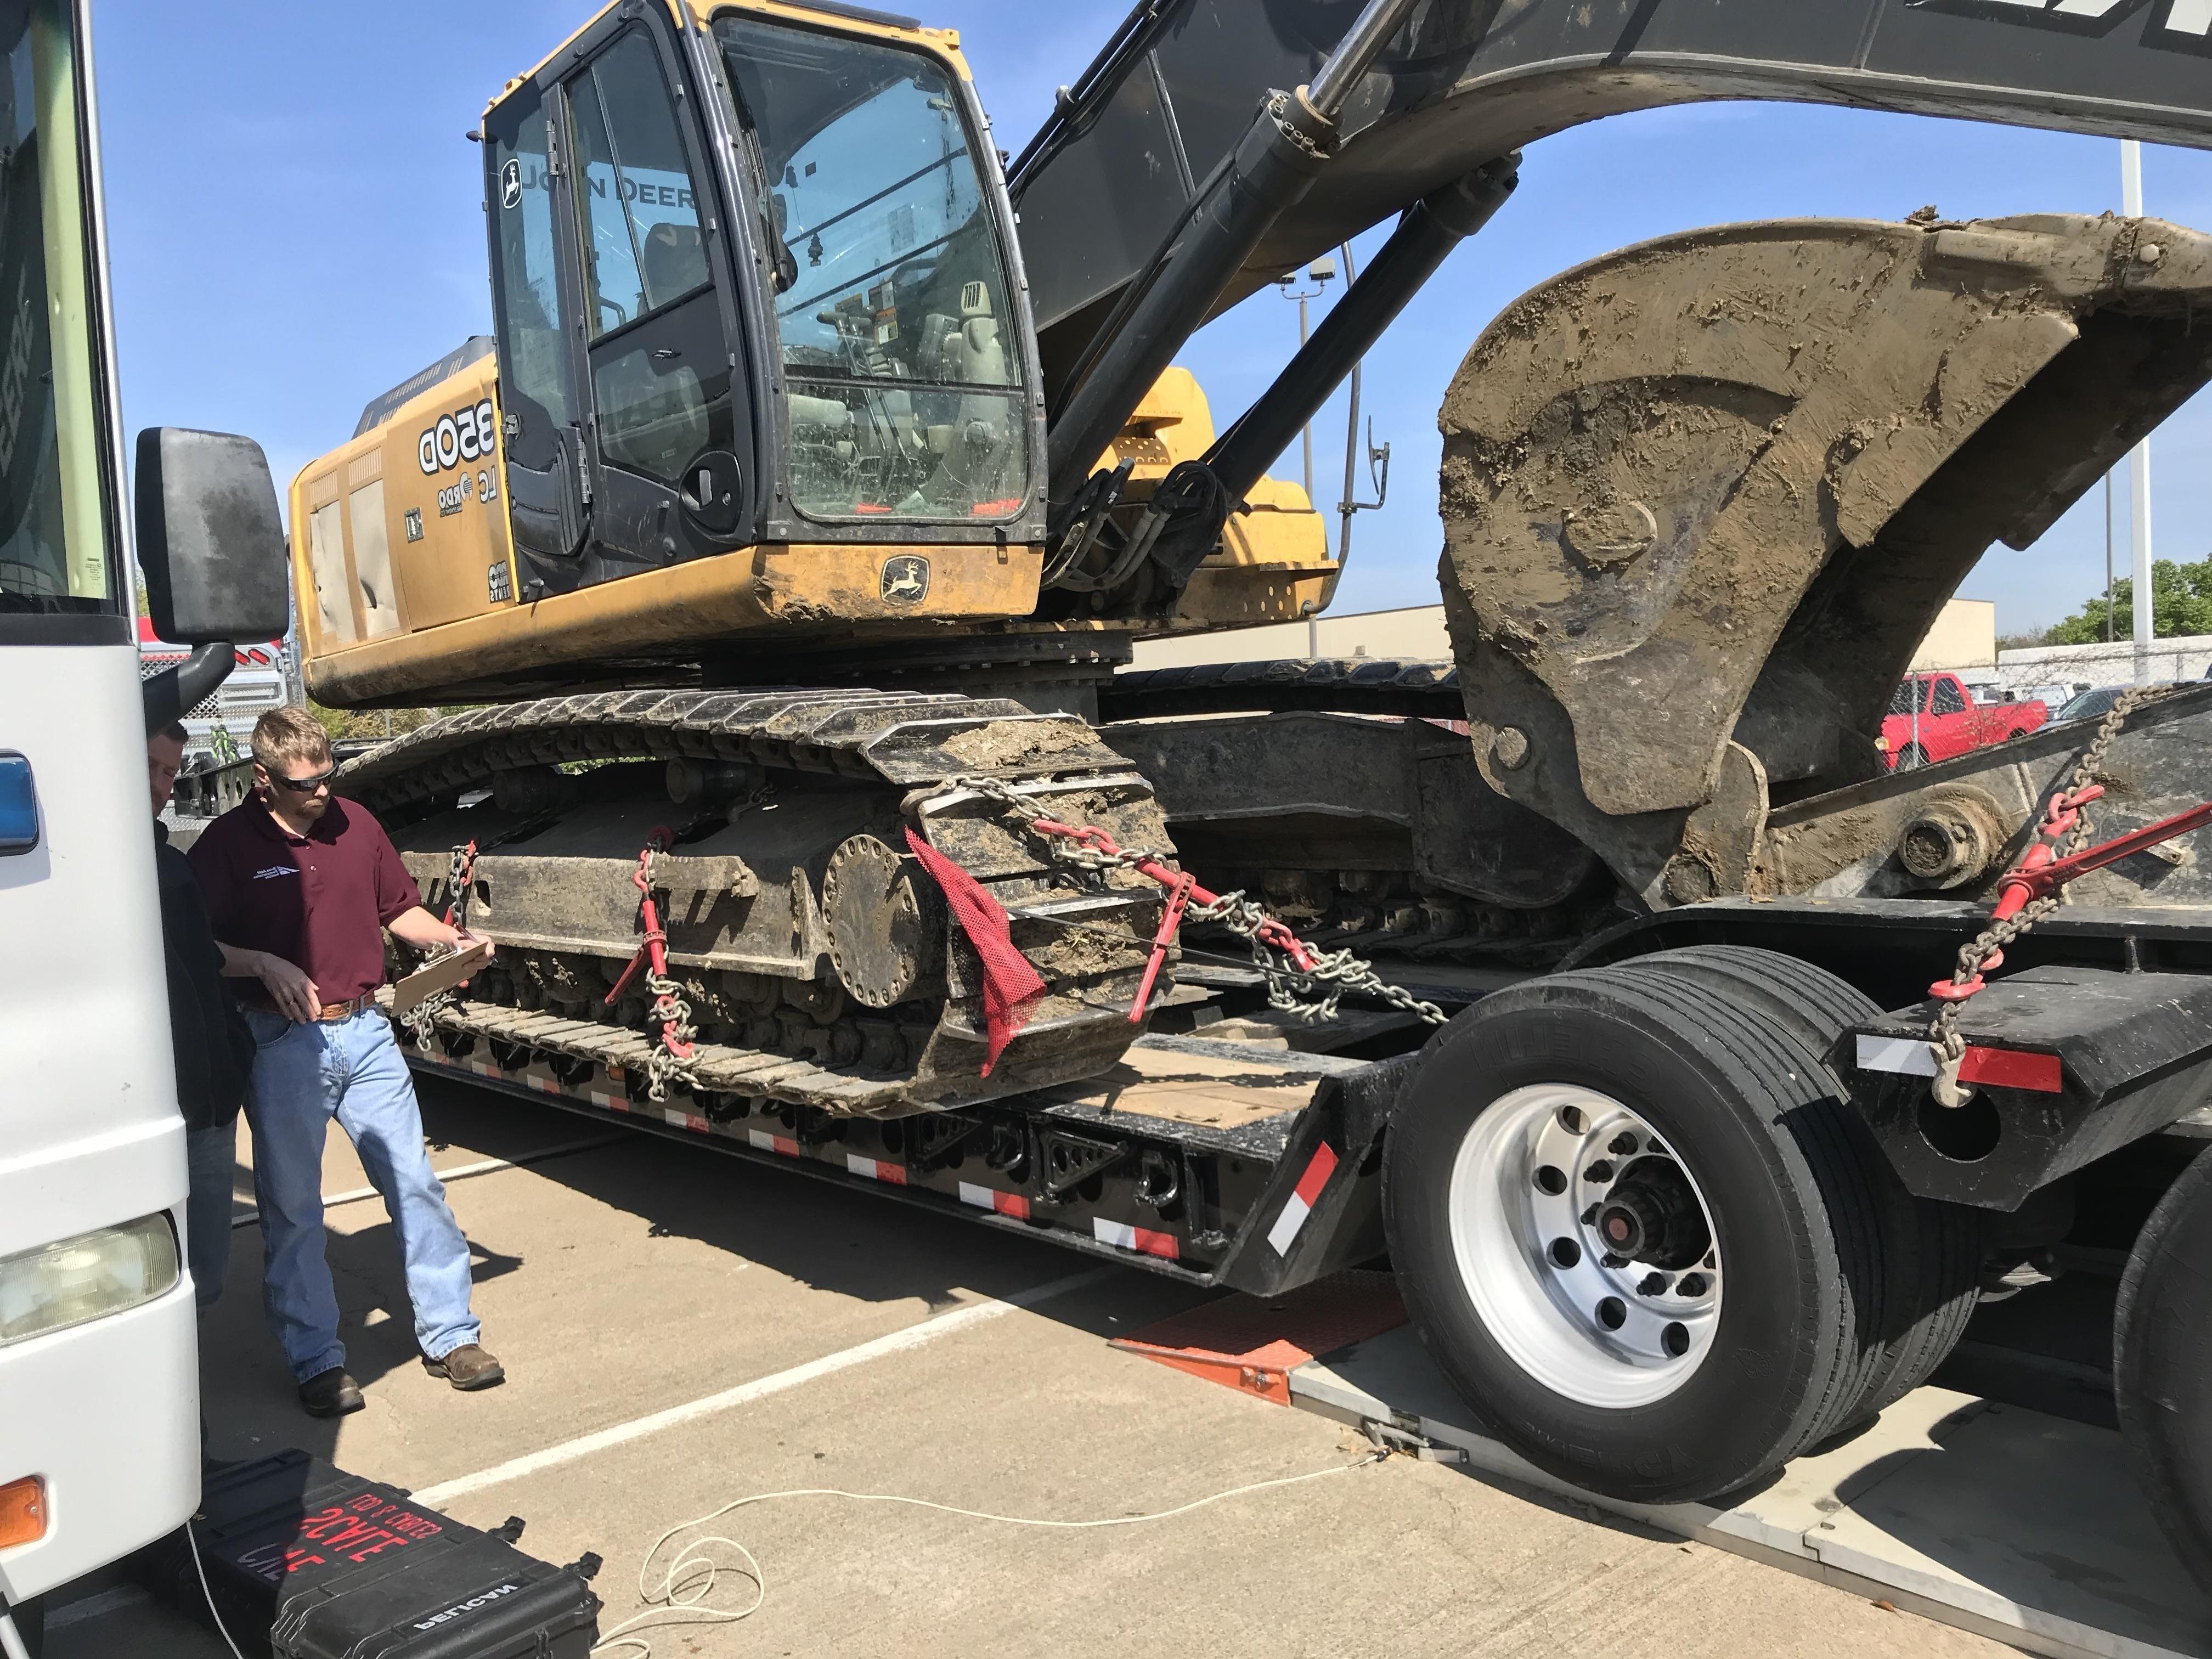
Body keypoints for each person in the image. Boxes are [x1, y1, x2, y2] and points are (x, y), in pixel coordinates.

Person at [188, 706, 504, 1417]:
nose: (323, 792)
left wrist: (450, 942)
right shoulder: (226, 845)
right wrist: (260, 962)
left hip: (365, 1033)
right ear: (264, 779)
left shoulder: (357, 825)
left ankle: (452, 1336)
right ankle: (317, 1360)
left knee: (415, 1184)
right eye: (306, 784)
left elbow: (400, 912)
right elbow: (193, 944)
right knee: (294, 1207)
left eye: (329, 776)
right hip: (280, 1043)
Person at [146, 721, 256, 1315]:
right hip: (147, 1113)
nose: (162, 786)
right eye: (150, 766)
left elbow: (204, 961)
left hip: (208, 1107)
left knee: (204, 1277)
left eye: (170, 772)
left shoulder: (171, 866)